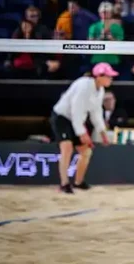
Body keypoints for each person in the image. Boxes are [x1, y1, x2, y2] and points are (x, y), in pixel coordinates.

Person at [50, 63, 117, 194]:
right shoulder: (83, 86)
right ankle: (64, 184)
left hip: (77, 120)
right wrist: (82, 133)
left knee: (86, 152)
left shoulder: (100, 90)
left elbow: (96, 113)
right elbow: (77, 110)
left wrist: (102, 132)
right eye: (109, 76)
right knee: (67, 147)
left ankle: (78, 182)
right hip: (62, 117)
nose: (111, 79)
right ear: (99, 76)